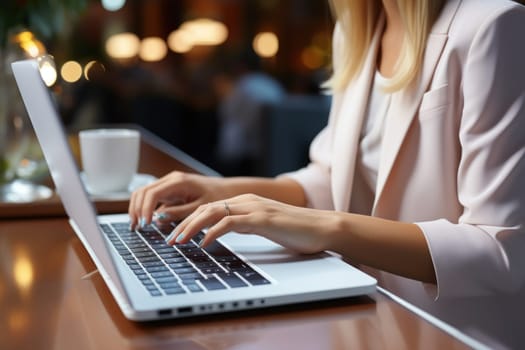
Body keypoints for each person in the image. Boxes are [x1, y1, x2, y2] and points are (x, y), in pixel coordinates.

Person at [129, 0, 525, 345]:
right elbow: (329, 178)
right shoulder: (356, 33)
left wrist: (329, 227)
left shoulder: (493, 25)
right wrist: (220, 191)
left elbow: (501, 251)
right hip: (360, 316)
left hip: (448, 330)